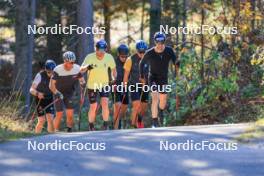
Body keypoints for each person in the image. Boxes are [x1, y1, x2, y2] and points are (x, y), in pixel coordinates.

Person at [139, 32, 179, 128]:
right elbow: (141, 63)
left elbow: (176, 62)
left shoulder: (169, 51)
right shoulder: (150, 52)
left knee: (163, 100)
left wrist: (177, 65)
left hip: (163, 78)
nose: (160, 45)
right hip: (152, 77)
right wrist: (142, 77)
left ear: (164, 42)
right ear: (155, 42)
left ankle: (161, 111)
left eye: (162, 42)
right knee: (155, 98)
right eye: (158, 43)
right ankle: (155, 122)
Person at [80, 39, 116, 131]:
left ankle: (106, 124)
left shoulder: (109, 57)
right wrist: (88, 67)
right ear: (96, 49)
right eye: (99, 50)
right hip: (92, 85)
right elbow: (81, 70)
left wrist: (113, 77)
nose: (101, 53)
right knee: (93, 106)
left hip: (104, 84)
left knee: (105, 103)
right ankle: (91, 125)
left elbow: (113, 70)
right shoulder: (90, 57)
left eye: (103, 50)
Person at [49, 51, 85, 132]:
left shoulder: (77, 68)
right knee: (59, 113)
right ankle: (54, 131)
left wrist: (83, 84)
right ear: (64, 61)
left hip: (69, 93)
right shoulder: (57, 69)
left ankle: (69, 130)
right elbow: (51, 86)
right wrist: (57, 93)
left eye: (73, 62)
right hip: (58, 92)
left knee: (70, 113)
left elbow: (82, 80)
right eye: (70, 62)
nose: (72, 64)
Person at [123, 40, 149, 128]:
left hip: (145, 86)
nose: (142, 54)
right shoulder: (130, 60)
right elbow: (126, 75)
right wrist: (124, 88)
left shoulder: (149, 59)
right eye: (140, 52)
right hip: (134, 85)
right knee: (136, 105)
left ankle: (139, 119)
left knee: (144, 107)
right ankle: (133, 126)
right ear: (136, 51)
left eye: (144, 52)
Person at [30, 59, 56, 133]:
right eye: (48, 72)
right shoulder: (40, 75)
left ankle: (51, 137)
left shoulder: (56, 76)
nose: (51, 74)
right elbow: (31, 89)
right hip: (40, 99)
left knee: (50, 119)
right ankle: (36, 136)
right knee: (42, 120)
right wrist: (38, 93)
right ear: (45, 70)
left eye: (52, 72)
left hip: (49, 98)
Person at [113, 44, 130, 129]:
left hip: (125, 87)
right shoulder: (114, 62)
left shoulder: (129, 62)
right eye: (122, 56)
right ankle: (116, 127)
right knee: (118, 106)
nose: (123, 58)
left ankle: (120, 118)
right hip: (115, 86)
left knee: (125, 106)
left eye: (125, 56)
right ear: (118, 55)